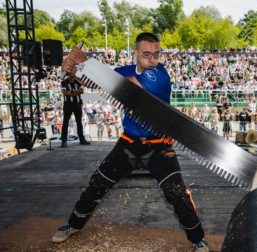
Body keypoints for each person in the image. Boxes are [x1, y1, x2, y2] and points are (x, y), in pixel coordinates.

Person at [52, 33, 209, 252]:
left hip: (158, 145)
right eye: (146, 54)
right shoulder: (123, 72)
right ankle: (74, 224)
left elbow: (125, 88)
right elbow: (94, 81)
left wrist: (85, 62)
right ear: (135, 53)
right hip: (128, 143)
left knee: (176, 193)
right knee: (97, 184)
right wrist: (75, 70)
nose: (152, 59)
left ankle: (198, 239)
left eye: (156, 54)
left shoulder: (159, 75)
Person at [60, 72, 91, 147]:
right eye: (71, 74)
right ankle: (64, 141)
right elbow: (65, 93)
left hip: (77, 104)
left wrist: (71, 92)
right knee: (65, 123)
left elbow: (82, 91)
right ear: (68, 75)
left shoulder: (78, 82)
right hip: (68, 104)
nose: (72, 75)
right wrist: (76, 92)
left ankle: (82, 139)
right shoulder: (64, 82)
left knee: (79, 122)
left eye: (73, 74)